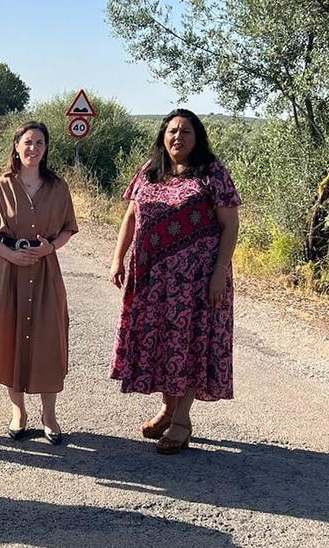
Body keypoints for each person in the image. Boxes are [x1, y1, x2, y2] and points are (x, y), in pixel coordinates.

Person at [109, 108, 241, 455]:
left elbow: (230, 227)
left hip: (197, 281)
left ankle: (182, 420)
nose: (177, 138)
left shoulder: (213, 174)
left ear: (197, 138)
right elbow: (131, 217)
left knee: (191, 344)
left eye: (185, 132)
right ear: (162, 136)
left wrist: (217, 276)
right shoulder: (150, 171)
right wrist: (117, 258)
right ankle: (168, 410)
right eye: (171, 132)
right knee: (166, 345)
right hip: (153, 279)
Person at [0, 121, 78, 445]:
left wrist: (52, 247)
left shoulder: (58, 187)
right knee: (9, 340)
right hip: (9, 275)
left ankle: (49, 415)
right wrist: (8, 253)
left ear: (46, 149)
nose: (33, 148)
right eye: (27, 142)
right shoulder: (1, 187)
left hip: (46, 274)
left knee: (48, 342)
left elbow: (67, 228)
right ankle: (18, 411)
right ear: (16, 146)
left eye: (40, 143)